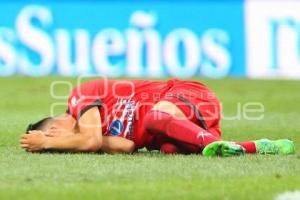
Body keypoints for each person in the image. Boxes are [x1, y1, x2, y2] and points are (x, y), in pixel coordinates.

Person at [20, 78, 295, 156]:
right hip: (185, 122)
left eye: (53, 137)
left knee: (152, 119)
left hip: (186, 93)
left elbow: (90, 141)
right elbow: (126, 146)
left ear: (55, 129)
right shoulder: (98, 132)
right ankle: (257, 146)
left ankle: (213, 142)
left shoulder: (78, 96)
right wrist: (78, 140)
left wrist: (46, 143)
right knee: (169, 149)